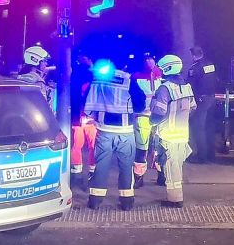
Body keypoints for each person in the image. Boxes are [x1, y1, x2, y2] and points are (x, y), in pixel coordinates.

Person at [84, 60, 145, 211]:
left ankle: (95, 201)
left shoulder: (99, 79)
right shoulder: (128, 79)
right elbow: (140, 104)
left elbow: (89, 102)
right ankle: (127, 202)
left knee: (101, 165)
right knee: (126, 166)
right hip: (125, 132)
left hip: (104, 130)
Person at [150, 54, 197, 208]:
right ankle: (177, 197)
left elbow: (159, 111)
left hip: (168, 134)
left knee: (170, 168)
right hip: (183, 134)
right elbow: (193, 108)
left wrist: (152, 123)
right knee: (177, 166)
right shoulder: (187, 87)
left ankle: (175, 199)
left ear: (166, 69)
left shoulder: (165, 88)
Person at [133, 54, 162, 189]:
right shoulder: (136, 77)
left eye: (151, 58)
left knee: (158, 147)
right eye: (146, 59)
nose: (149, 61)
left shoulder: (161, 75)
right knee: (141, 149)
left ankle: (162, 176)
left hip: (158, 116)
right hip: (142, 116)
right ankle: (139, 177)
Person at [185, 46, 218, 163]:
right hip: (211, 98)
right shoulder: (210, 65)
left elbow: (191, 86)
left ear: (193, 56)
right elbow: (213, 80)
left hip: (201, 100)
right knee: (210, 127)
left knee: (198, 128)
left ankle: (201, 156)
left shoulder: (194, 68)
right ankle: (211, 154)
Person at [70, 53, 97, 184]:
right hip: (79, 118)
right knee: (77, 145)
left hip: (89, 119)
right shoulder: (76, 76)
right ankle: (77, 174)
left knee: (93, 146)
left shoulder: (94, 79)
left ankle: (91, 172)